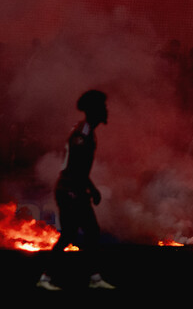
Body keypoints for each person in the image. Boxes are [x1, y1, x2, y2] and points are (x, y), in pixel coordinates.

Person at [36, 90, 115, 291]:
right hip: (70, 190)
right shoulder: (83, 134)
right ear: (94, 110)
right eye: (102, 107)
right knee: (76, 233)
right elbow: (74, 168)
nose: (106, 110)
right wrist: (84, 190)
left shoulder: (88, 132)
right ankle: (49, 277)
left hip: (73, 189)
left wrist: (91, 189)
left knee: (83, 232)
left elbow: (78, 169)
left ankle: (91, 277)